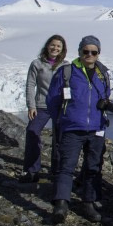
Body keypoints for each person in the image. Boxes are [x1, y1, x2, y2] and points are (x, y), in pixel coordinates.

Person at [46, 35, 111, 224]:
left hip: (96, 128)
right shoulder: (67, 72)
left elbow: (105, 96)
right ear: (79, 52)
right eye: (86, 51)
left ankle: (88, 202)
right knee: (66, 166)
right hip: (73, 127)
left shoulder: (103, 74)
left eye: (93, 52)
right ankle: (61, 203)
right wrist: (61, 120)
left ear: (98, 54)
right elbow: (53, 99)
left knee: (93, 167)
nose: (89, 55)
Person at [20, 34, 67, 183]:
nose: (55, 48)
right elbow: (30, 85)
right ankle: (31, 170)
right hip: (42, 105)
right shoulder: (37, 64)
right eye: (53, 45)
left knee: (59, 139)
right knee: (32, 131)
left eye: (58, 46)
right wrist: (31, 105)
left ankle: (57, 171)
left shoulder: (66, 66)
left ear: (62, 49)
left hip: (60, 106)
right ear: (47, 46)